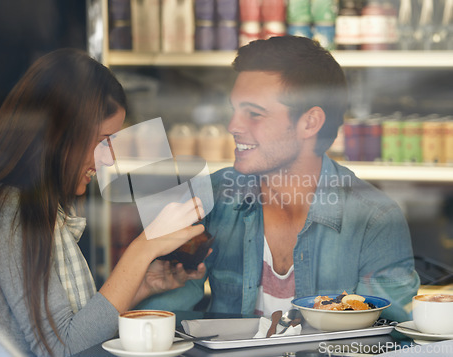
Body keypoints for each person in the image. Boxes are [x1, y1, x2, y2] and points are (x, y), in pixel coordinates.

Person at [137, 35, 420, 322]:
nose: (233, 126)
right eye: (235, 110)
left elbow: (388, 338)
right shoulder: (211, 196)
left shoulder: (376, 219)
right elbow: (160, 318)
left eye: (254, 114)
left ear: (310, 123)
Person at [0, 48, 206, 356]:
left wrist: (144, 285)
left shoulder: (32, 210)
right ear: (60, 134)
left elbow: (74, 327)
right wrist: (145, 246)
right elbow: (64, 348)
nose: (110, 157)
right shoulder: (10, 212)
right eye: (103, 140)